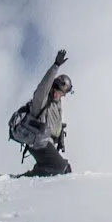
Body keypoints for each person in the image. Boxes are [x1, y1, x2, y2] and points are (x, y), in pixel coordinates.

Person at [20, 49, 73, 177]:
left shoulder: (56, 103)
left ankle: (40, 169)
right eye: (58, 90)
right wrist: (55, 66)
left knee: (66, 169)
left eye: (62, 93)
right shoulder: (42, 99)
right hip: (38, 142)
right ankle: (27, 177)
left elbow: (55, 123)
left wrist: (59, 137)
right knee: (60, 167)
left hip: (46, 143)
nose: (59, 95)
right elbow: (44, 86)